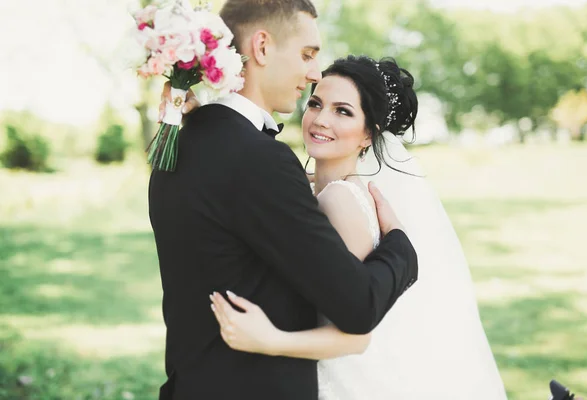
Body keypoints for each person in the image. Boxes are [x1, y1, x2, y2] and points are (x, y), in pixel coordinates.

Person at [149, 1, 418, 399]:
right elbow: (358, 306)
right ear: (261, 47)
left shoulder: (180, 141)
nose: (313, 74)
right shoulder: (258, 158)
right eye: (307, 55)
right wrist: (400, 245)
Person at [210, 55, 508, 399]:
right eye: (316, 103)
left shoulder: (341, 201)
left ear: (368, 134)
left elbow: (356, 332)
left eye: (343, 111)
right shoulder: (317, 190)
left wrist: (269, 340)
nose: (320, 120)